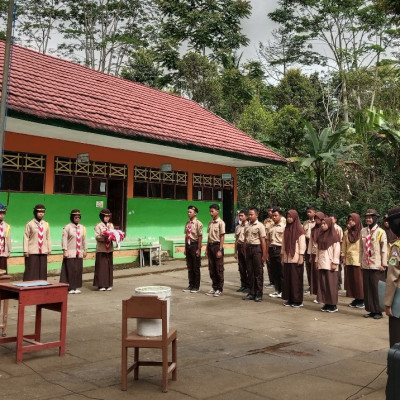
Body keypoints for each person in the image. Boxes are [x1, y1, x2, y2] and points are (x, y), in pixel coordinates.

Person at [360, 209, 387, 319]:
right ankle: (371, 309)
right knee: (368, 288)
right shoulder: (363, 231)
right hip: (366, 264)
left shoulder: (380, 232)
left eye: (370, 217)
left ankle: (378, 311)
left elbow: (384, 249)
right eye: (367, 217)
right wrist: (360, 262)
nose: (368, 219)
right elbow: (361, 248)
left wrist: (384, 264)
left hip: (377, 264)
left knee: (377, 288)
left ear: (375, 218)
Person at [281, 210, 306, 308]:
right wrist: (282, 256)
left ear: (295, 217)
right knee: (288, 279)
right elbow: (283, 244)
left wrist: (301, 257)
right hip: (287, 258)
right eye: (287, 217)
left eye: (291, 217)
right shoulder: (286, 229)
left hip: (295, 258)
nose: (289, 218)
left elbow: (302, 245)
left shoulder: (299, 229)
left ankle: (298, 300)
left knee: (296, 280)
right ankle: (290, 298)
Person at [316, 217, 341, 313]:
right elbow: (318, 250)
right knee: (324, 284)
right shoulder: (321, 235)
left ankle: (333, 305)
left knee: (331, 284)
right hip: (322, 263)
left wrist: (334, 262)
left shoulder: (334, 236)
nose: (322, 225)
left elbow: (337, 250)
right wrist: (317, 261)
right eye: (322, 224)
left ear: (329, 224)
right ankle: (326, 303)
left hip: (330, 264)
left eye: (324, 224)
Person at [242, 208, 267, 302]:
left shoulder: (260, 226)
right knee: (250, 272)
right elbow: (245, 239)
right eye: (249, 214)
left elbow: (263, 241)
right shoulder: (246, 225)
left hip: (257, 249)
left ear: (256, 215)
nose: (249, 216)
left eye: (251, 214)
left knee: (258, 272)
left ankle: (259, 293)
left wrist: (264, 255)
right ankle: (251, 292)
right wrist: (245, 251)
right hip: (248, 249)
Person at [60, 209, 87, 294]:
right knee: (70, 270)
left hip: (79, 252)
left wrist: (85, 249)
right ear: (72, 217)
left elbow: (84, 239)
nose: (77, 218)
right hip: (70, 252)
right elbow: (64, 239)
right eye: (75, 217)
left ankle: (75, 287)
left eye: (78, 217)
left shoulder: (82, 228)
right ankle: (69, 287)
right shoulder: (67, 227)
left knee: (77, 270)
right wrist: (65, 250)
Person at [384, 206, 400, 347]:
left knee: (396, 334)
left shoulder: (397, 247)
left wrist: (388, 303)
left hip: (398, 300)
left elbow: (393, 277)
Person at [23, 204, 51, 281]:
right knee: (31, 271)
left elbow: (48, 237)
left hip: (43, 250)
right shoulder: (30, 224)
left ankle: (41, 287)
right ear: (35, 212)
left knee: (42, 270)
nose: (41, 213)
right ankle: (29, 287)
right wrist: (26, 250)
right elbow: (26, 237)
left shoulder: (46, 224)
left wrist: (49, 249)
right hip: (32, 250)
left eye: (43, 212)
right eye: (39, 212)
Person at [342, 213, 364, 309]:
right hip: (349, 259)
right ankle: (356, 298)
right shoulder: (346, 232)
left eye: (353, 220)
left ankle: (362, 299)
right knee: (351, 281)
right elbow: (344, 246)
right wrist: (343, 257)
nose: (351, 222)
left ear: (357, 220)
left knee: (358, 280)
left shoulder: (362, 232)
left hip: (358, 260)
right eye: (349, 220)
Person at [205, 204, 225, 297]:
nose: (211, 213)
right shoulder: (210, 223)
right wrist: (206, 248)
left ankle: (219, 289)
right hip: (210, 246)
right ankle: (214, 287)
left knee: (218, 268)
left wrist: (220, 249)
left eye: (212, 211)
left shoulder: (221, 223)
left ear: (217, 211)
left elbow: (222, 237)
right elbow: (209, 237)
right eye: (210, 211)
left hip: (217, 246)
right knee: (211, 268)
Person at [183, 205, 203, 293]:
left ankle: (196, 286)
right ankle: (190, 284)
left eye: (190, 212)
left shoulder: (198, 223)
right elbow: (186, 235)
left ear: (195, 213)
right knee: (189, 267)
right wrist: (185, 247)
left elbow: (200, 237)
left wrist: (199, 248)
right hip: (188, 245)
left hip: (195, 245)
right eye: (188, 212)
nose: (188, 213)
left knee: (196, 267)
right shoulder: (187, 223)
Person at [93, 208, 114, 291]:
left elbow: (113, 234)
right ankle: (101, 285)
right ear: (101, 217)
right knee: (101, 267)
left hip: (109, 249)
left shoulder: (111, 225)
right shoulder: (98, 226)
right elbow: (97, 237)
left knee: (108, 267)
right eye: (105, 216)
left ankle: (108, 284)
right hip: (101, 249)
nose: (107, 218)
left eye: (108, 216)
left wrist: (115, 237)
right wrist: (105, 237)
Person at [267, 208, 286, 298]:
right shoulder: (270, 226)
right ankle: (277, 290)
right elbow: (268, 240)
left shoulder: (284, 227)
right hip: (272, 249)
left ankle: (283, 290)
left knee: (281, 271)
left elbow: (285, 241)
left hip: (280, 249)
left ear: (280, 216)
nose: (274, 217)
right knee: (274, 271)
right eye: (273, 216)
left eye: (276, 216)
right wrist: (267, 252)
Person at [308, 211, 325, 302]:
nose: (317, 220)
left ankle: (322, 295)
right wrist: (310, 254)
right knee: (315, 275)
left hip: (322, 255)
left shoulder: (325, 229)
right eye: (316, 218)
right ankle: (318, 294)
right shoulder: (313, 229)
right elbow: (311, 243)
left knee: (321, 275)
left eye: (319, 219)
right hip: (314, 254)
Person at [234, 209, 249, 293]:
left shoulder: (249, 226)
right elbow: (236, 240)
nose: (240, 217)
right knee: (241, 267)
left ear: (246, 216)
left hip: (246, 247)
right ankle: (243, 285)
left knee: (248, 267)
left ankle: (249, 285)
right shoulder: (238, 227)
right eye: (239, 215)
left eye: (242, 215)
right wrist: (235, 252)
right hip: (239, 247)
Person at [303, 206, 316, 293]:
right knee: (308, 265)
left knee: (314, 265)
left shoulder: (318, 222)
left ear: (314, 212)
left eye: (310, 212)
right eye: (307, 212)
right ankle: (310, 285)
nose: (308, 213)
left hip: (314, 244)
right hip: (306, 242)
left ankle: (315, 285)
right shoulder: (305, 223)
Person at [329, 213, 343, 289]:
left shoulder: (338, 228)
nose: (330, 221)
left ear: (335, 220)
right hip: (329, 250)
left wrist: (340, 252)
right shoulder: (327, 227)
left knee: (338, 267)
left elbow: (340, 241)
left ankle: (338, 283)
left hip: (337, 249)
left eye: (332, 219)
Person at [263, 204, 275, 288]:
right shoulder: (266, 221)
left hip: (276, 244)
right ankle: (272, 281)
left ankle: (277, 282)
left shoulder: (281, 220)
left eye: (271, 210)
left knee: (276, 264)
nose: (269, 212)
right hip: (268, 244)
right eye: (268, 210)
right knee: (269, 263)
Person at [0, 203, 11, 273]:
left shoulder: (6, 225)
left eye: (3, 213)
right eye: (0, 213)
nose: (2, 215)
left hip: (3, 252)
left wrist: (9, 251)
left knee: (3, 272)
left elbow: (8, 239)